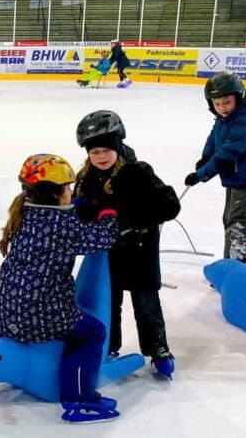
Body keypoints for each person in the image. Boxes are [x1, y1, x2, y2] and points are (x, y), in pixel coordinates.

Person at [0, 153, 120, 423]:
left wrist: (81, 203)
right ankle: (79, 400)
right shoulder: (63, 226)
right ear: (55, 195)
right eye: (67, 189)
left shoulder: (23, 214)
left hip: (7, 309)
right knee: (92, 333)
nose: (71, 194)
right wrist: (109, 215)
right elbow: (101, 238)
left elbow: (65, 213)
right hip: (44, 315)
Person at [73, 110, 181, 378]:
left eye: (106, 150)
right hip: (107, 257)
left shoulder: (138, 172)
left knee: (146, 303)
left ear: (118, 147)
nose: (101, 157)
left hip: (140, 253)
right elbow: (79, 212)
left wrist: (140, 215)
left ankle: (158, 349)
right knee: (109, 304)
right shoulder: (85, 178)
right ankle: (109, 346)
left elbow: (170, 207)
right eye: (95, 151)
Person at [185, 72, 246, 262]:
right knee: (229, 220)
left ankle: (242, 265)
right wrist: (204, 160)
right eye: (217, 104)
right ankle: (231, 263)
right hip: (236, 176)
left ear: (238, 98)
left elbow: (228, 153)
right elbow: (214, 141)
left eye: (226, 102)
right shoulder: (225, 118)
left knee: (238, 222)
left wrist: (201, 174)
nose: (222, 108)